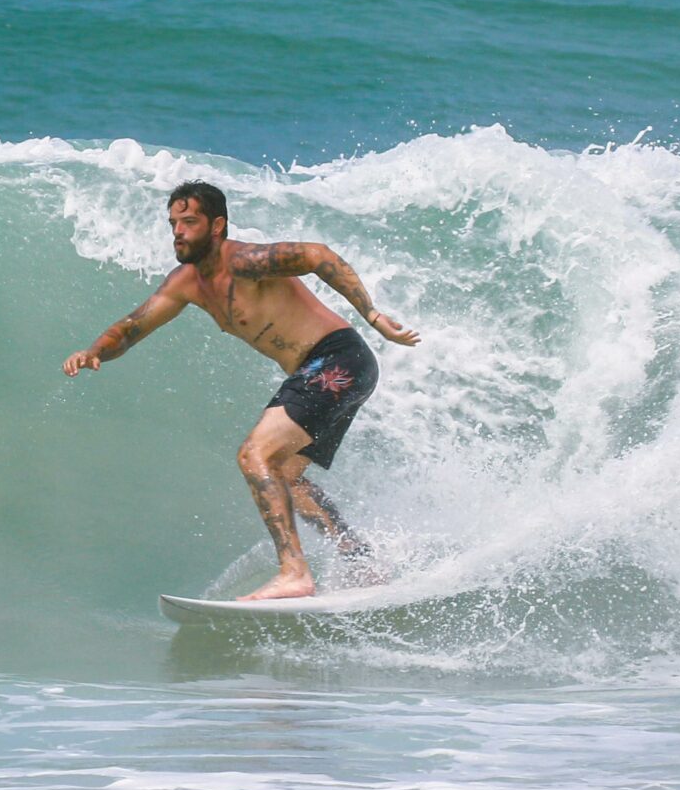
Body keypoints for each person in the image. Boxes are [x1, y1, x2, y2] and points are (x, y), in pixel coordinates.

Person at [62, 180, 420, 599]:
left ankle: (294, 573)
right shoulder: (186, 283)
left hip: (338, 359)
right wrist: (95, 351)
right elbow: (131, 326)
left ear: (217, 226)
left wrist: (372, 315)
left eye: (189, 221)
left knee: (255, 455)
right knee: (284, 475)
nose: (178, 231)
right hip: (327, 369)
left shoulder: (246, 262)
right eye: (173, 223)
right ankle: (360, 559)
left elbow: (316, 256)